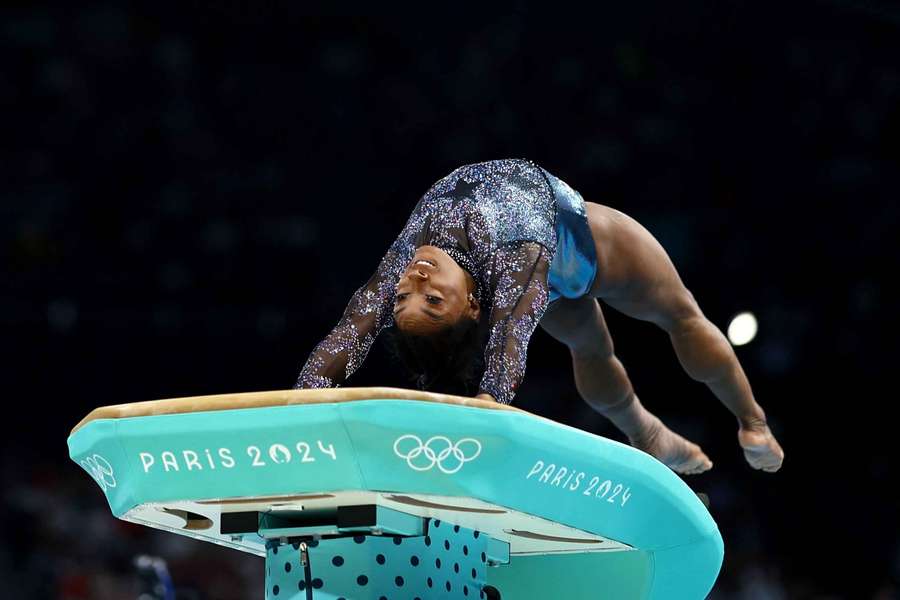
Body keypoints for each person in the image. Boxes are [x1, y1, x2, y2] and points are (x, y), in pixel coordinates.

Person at [294, 158, 784, 475]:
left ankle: (751, 419)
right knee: (607, 341)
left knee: (680, 317)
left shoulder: (406, 260)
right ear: (470, 305)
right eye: (433, 302)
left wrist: (299, 405)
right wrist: (485, 413)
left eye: (403, 301)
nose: (415, 285)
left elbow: (347, 335)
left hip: (569, 250)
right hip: (582, 256)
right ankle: (649, 431)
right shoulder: (514, 261)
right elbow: (507, 351)